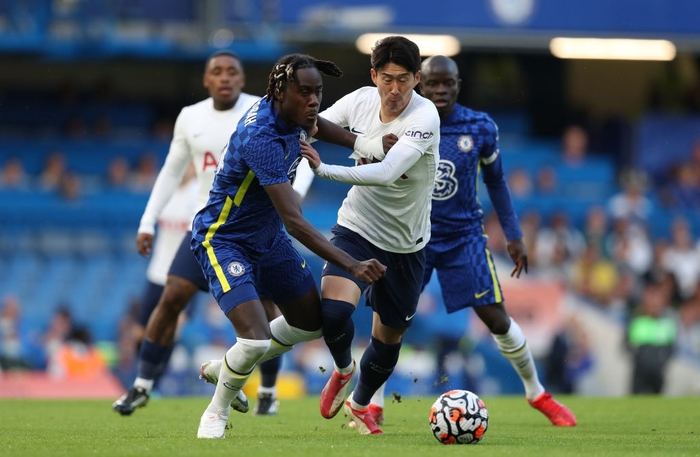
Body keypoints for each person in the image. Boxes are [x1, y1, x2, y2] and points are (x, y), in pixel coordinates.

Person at [368, 55, 577, 427]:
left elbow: (496, 181)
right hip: (411, 236)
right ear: (419, 83)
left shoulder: (479, 127)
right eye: (432, 83)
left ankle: (537, 393)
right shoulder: (400, 122)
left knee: (496, 318)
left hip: (464, 237)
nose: (440, 90)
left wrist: (513, 234)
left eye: (447, 83)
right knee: (391, 321)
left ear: (458, 85)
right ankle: (374, 402)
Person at [191, 53, 386, 439]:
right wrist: (353, 265)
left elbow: (322, 127)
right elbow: (295, 221)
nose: (313, 101)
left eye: (317, 92)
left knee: (310, 323)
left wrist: (369, 144)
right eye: (305, 93)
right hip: (225, 239)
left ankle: (227, 365)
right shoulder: (260, 136)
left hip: (268, 240)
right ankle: (216, 411)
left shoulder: (294, 116)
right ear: (280, 91)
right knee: (255, 338)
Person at [112, 51, 282, 416]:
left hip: (253, 227)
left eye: (232, 71)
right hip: (205, 227)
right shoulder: (190, 117)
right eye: (216, 72)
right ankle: (142, 385)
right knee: (172, 296)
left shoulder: (264, 110)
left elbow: (300, 152)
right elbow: (172, 171)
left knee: (264, 311)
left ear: (242, 78)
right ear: (206, 80)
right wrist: (147, 220)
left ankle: (267, 390)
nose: (224, 77)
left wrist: (293, 195)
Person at [301, 36, 440, 435]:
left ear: (417, 78)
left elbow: (385, 173)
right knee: (333, 313)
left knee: (389, 337)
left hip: (406, 245)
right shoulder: (360, 100)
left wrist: (322, 169)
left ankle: (360, 405)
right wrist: (298, 140)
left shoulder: (424, 117)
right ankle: (344, 370)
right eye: (387, 79)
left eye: (404, 80)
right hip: (357, 228)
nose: (394, 90)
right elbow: (315, 123)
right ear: (374, 75)